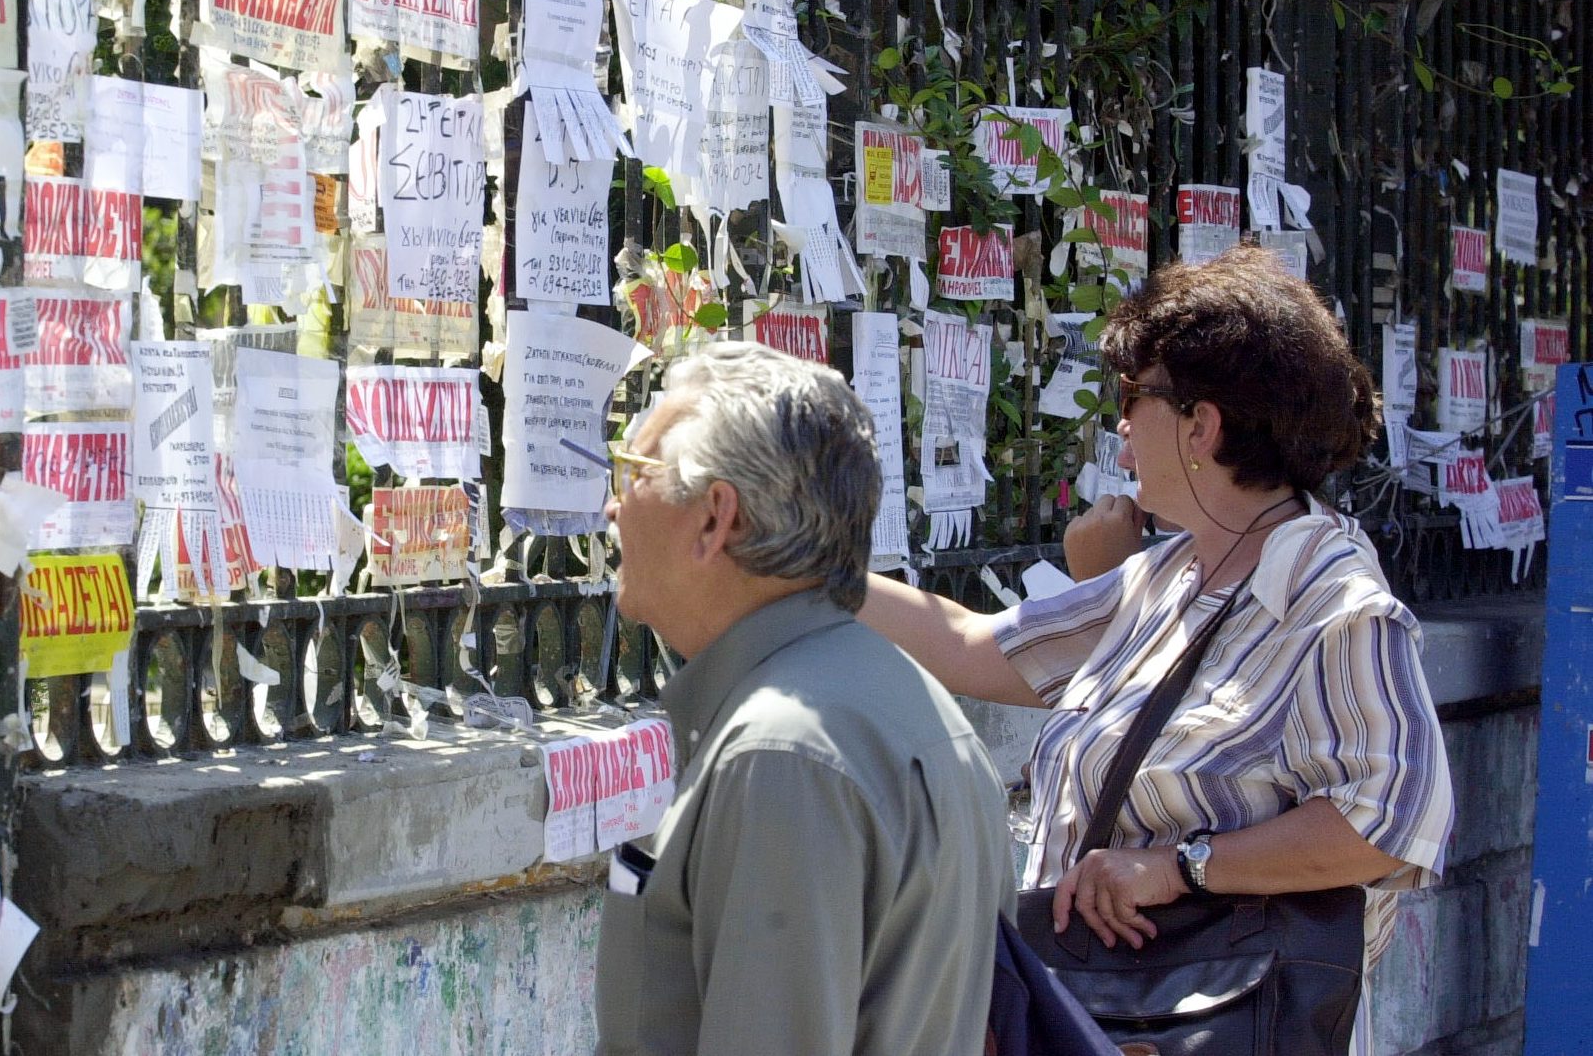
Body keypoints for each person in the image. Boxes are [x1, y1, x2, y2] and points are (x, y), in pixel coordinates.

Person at [859, 246, 1454, 1055]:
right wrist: (811, 567)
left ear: (1200, 426)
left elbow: (1388, 823)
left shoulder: (1335, 607)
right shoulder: (1174, 573)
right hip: (1112, 1015)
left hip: (1220, 1023)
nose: (1119, 425)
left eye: (1132, 397)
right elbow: (975, 646)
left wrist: (1180, 867)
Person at [593, 342, 1010, 1056]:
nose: (611, 506)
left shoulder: (780, 754)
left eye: (633, 474)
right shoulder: (897, 698)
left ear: (714, 519)